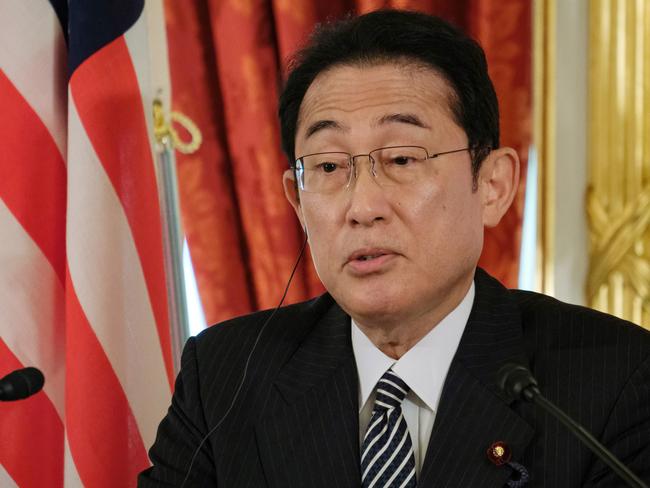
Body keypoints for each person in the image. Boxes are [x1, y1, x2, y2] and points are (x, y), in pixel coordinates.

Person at [139, 9, 650, 487]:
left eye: (403, 159)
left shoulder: (614, 381)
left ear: (493, 185)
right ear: (296, 201)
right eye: (329, 166)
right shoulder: (224, 375)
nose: (363, 206)